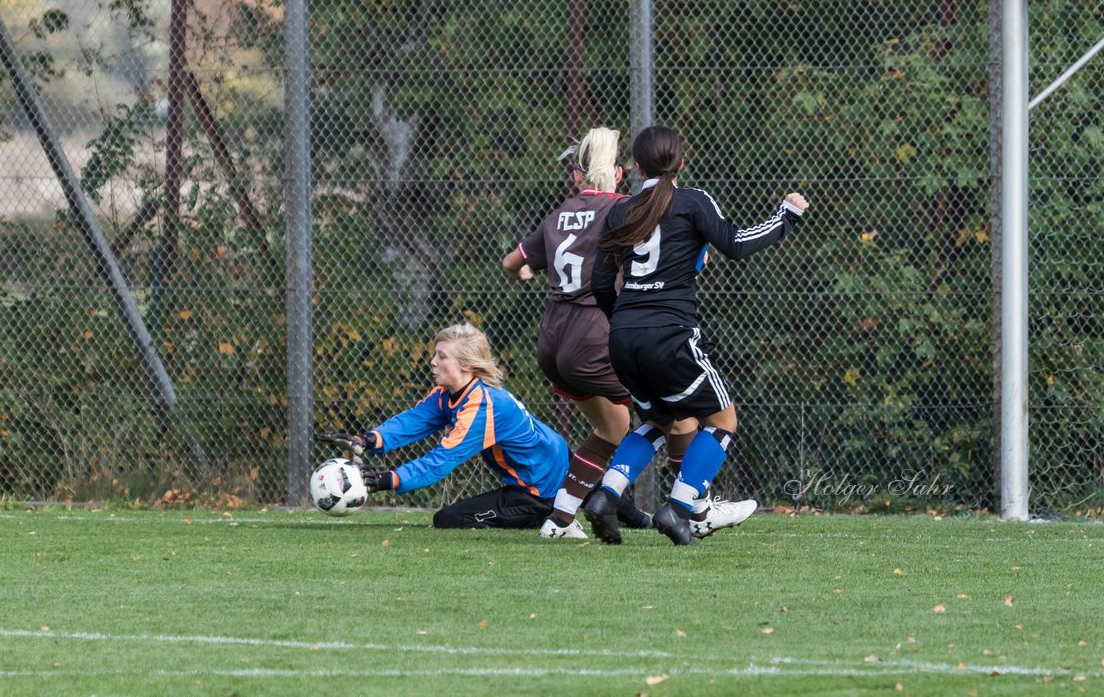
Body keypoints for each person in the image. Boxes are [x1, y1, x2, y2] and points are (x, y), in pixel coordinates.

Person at [502, 127, 752, 541]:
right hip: (601, 335)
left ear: (578, 178)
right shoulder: (632, 207)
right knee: (675, 416)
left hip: (553, 339)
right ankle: (695, 506)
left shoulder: (560, 213)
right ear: (619, 175)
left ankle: (563, 517)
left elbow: (513, 263)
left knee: (617, 426)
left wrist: (526, 271)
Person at [584, 124, 808, 546]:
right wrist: (786, 217)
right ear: (681, 163)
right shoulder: (693, 201)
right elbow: (737, 245)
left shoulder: (620, 210)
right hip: (669, 336)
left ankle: (606, 495)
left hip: (623, 337)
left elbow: (599, 284)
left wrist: (626, 320)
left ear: (635, 167)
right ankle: (680, 507)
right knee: (723, 420)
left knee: (657, 419)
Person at [317, 323, 570, 530]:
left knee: (448, 519)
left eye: (442, 356)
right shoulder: (449, 393)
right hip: (554, 463)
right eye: (434, 354)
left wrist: (387, 480)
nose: (432, 362)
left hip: (541, 489)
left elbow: (441, 461)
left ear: (467, 365)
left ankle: (547, 515)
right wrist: (367, 439)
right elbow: (414, 420)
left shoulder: (482, 408)